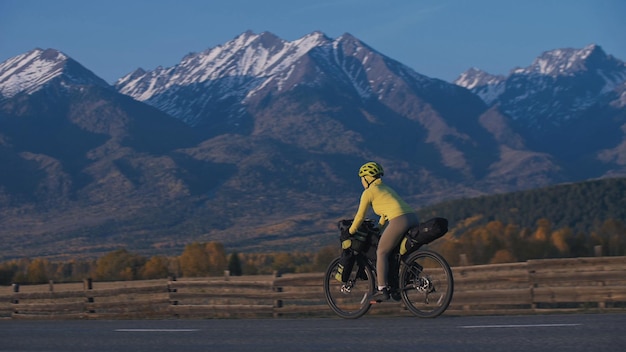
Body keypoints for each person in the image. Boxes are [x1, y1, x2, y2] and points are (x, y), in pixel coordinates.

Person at [348, 161, 419, 302]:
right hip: (412, 218)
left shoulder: (368, 192)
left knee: (381, 252)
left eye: (362, 178)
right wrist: (379, 228)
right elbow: (385, 214)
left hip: (399, 220)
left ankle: (382, 289)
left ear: (367, 178)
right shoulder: (385, 188)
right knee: (397, 253)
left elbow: (360, 216)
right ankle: (405, 283)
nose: (362, 182)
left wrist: (351, 230)